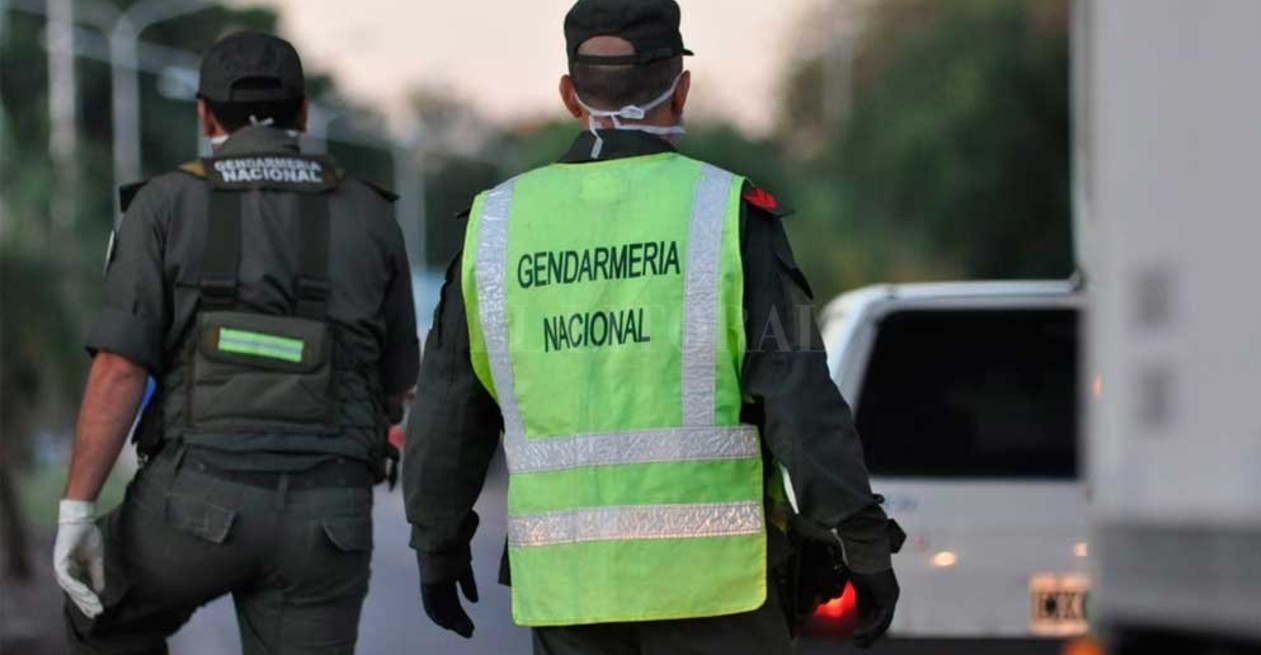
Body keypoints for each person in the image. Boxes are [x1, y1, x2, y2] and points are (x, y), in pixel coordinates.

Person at [402, 0, 903, 653]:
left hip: (571, 593)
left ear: (567, 95)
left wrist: (436, 544)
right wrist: (860, 538)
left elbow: (447, 410)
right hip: (717, 590)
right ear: (682, 89)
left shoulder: (496, 227)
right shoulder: (726, 215)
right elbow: (799, 402)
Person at [52, 31, 419, 655]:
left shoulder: (164, 204)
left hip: (194, 506)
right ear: (302, 113)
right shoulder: (371, 214)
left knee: (100, 615)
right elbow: (398, 384)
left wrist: (76, 512)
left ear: (204, 113)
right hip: (328, 521)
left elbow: (119, 368)